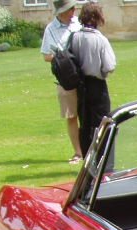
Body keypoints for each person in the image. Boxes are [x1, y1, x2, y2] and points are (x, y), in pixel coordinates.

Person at [70, 2, 115, 160]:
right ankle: (104, 160)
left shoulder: (75, 37)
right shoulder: (100, 39)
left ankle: (87, 160)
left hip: (81, 85)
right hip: (97, 84)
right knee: (103, 123)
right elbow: (109, 65)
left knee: (85, 123)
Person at [40, 0, 83, 164]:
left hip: (83, 75)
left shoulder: (78, 23)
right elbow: (45, 55)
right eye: (70, 9)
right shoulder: (50, 30)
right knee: (71, 116)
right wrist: (63, 58)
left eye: (73, 8)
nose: (73, 11)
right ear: (60, 12)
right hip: (65, 78)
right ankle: (78, 152)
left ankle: (91, 150)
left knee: (87, 114)